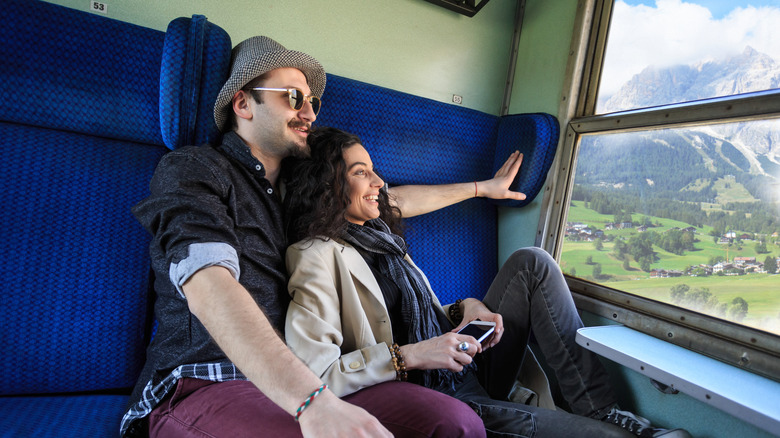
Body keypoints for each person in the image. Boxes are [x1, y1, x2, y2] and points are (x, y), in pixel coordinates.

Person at [121, 35, 523, 437]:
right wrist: (311, 400)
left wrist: (481, 188)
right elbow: (208, 283)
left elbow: (388, 198)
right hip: (209, 379)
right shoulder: (197, 169)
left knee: (454, 423)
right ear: (242, 104)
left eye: (313, 101)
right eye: (294, 97)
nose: (309, 113)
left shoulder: (302, 196)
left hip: (306, 375)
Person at [283, 127, 693, 438]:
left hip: (461, 361)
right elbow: (314, 375)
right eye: (362, 173)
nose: (379, 182)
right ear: (328, 186)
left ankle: (599, 407)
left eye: (375, 171)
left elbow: (425, 310)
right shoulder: (314, 255)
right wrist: (410, 356)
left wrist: (468, 309)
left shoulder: (382, 236)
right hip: (436, 394)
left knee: (531, 263)